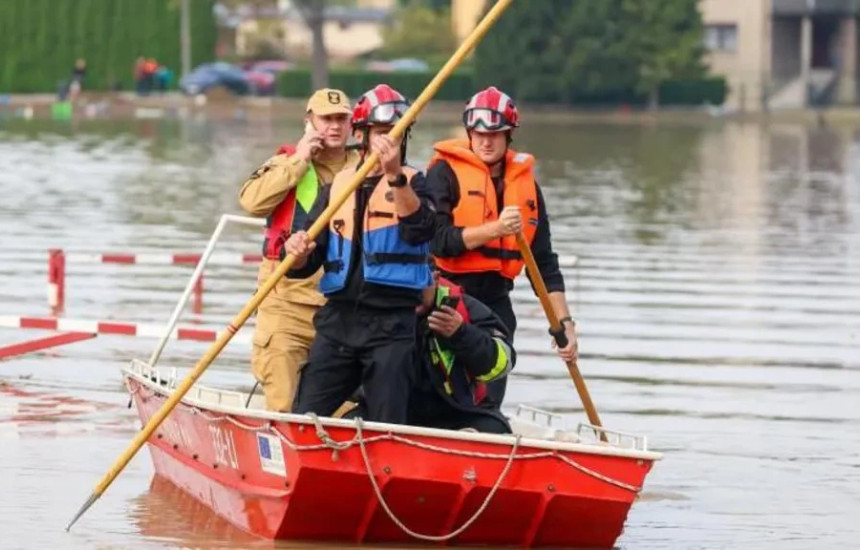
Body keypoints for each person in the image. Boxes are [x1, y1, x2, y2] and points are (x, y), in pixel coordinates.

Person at [285, 84, 437, 424]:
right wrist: (295, 253)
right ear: (362, 134)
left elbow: (421, 230)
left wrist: (395, 176)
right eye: (382, 133)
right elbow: (307, 261)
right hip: (339, 322)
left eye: (396, 134)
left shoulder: (416, 183)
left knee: (387, 423)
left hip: (391, 325)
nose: (389, 142)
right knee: (305, 417)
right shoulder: (336, 188)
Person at [426, 86, 578, 405]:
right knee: (443, 391)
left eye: (495, 134)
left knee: (489, 392)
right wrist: (495, 228)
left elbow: (544, 264)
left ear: (509, 135)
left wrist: (563, 324)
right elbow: (439, 241)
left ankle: (486, 427)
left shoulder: (527, 188)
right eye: (478, 133)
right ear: (469, 132)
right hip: (449, 297)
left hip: (496, 302)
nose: (485, 141)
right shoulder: (443, 174)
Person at [238, 88, 360, 412]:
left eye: (341, 119)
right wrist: (299, 160)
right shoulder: (288, 162)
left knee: (346, 412)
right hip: (286, 305)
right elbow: (251, 202)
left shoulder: (367, 166)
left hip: (341, 309)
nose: (334, 126)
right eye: (326, 119)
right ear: (309, 122)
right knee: (282, 402)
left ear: (352, 123)